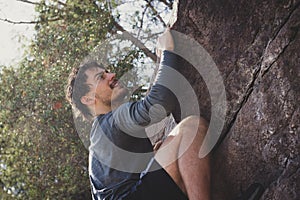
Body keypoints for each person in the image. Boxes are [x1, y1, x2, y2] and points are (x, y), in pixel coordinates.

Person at [66, 28, 210, 200]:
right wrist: (167, 51)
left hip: (137, 192)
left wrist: (153, 156)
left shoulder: (99, 139)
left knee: (184, 161)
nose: (111, 75)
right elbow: (159, 103)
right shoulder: (111, 121)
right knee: (191, 128)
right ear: (88, 99)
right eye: (101, 77)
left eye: (107, 72)